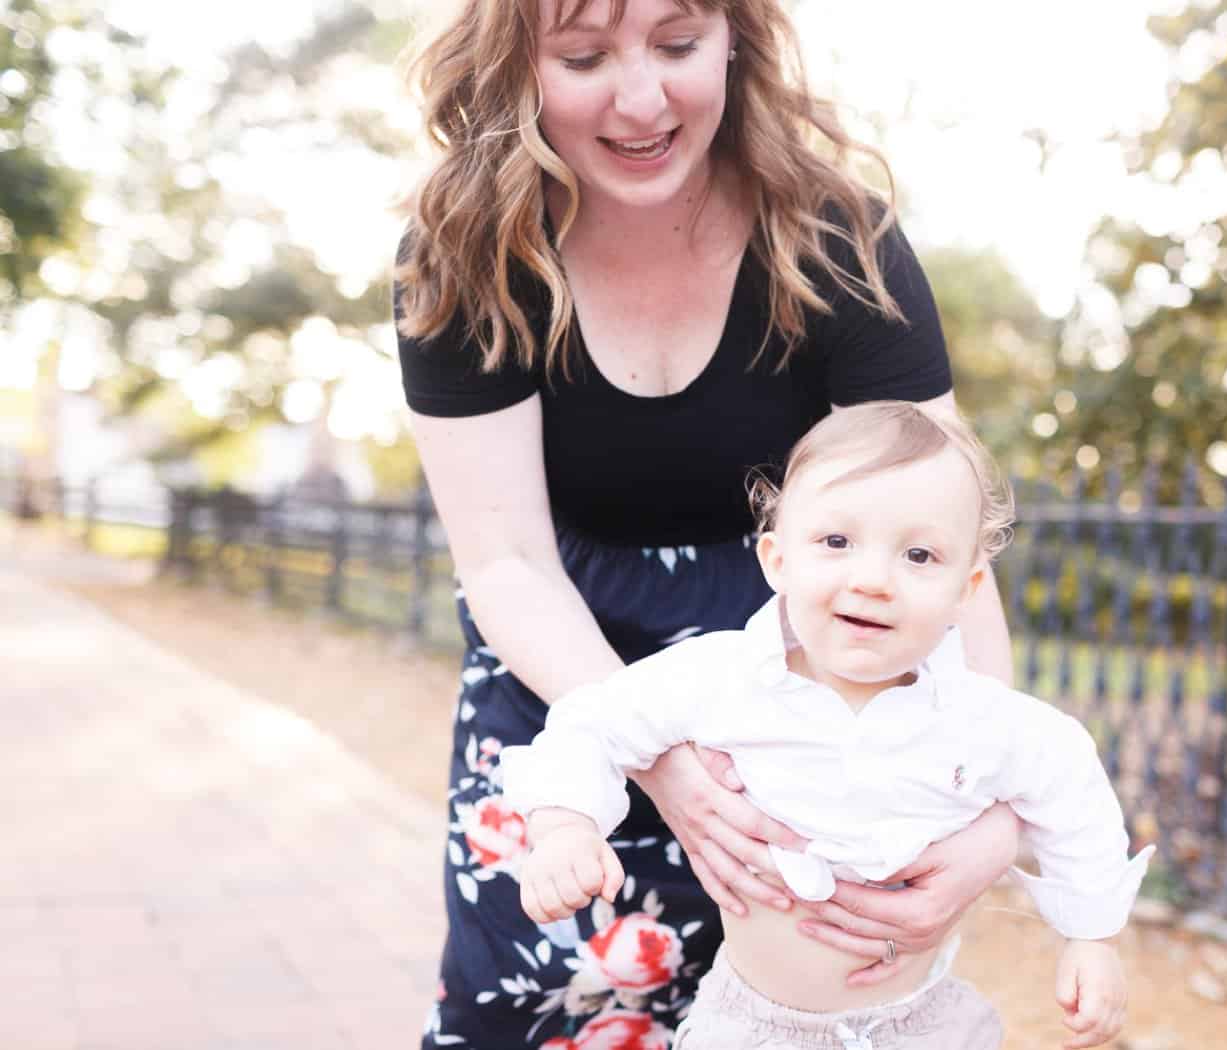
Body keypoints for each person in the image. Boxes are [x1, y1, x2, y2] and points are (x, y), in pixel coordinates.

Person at [393, 0, 1022, 1046]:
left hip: (798, 684)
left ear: (736, 37)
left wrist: (988, 811)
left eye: (678, 45)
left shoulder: (838, 241)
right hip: (565, 684)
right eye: (584, 57)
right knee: (532, 1009)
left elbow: (936, 546)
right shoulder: (464, 254)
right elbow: (505, 561)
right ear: (514, 61)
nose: (642, 100)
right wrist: (658, 756)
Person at [502, 403, 1153, 1050]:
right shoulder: (721, 677)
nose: (872, 579)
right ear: (778, 559)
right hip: (750, 1029)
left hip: (919, 1026)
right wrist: (565, 823)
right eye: (836, 542)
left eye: (919, 554)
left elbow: (1072, 784)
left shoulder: (983, 718)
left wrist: (1091, 937)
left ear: (967, 587)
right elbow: (594, 722)